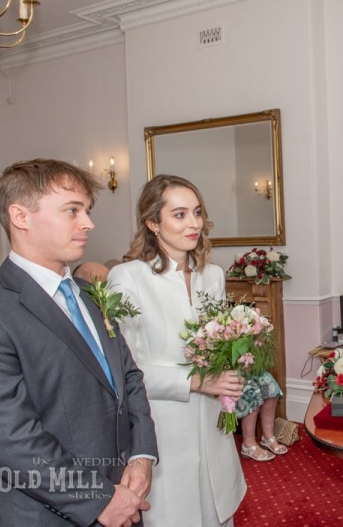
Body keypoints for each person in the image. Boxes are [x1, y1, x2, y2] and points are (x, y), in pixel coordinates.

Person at [0, 159, 158, 526]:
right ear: (21, 216)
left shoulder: (89, 293)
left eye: (87, 210)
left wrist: (142, 455)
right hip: (48, 513)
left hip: (124, 496)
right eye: (72, 210)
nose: (88, 223)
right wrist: (97, 500)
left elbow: (128, 378)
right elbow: (10, 438)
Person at [108, 174, 246, 527]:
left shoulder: (211, 275)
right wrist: (200, 381)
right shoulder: (128, 278)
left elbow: (217, 345)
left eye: (197, 213)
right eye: (180, 214)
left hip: (214, 425)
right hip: (163, 427)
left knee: (218, 510)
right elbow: (126, 371)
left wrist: (235, 364)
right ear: (153, 223)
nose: (194, 223)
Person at [236, 372, 287, 462]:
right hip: (225, 371)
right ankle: (248, 444)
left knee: (269, 383)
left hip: (245, 369)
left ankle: (268, 437)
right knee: (250, 390)